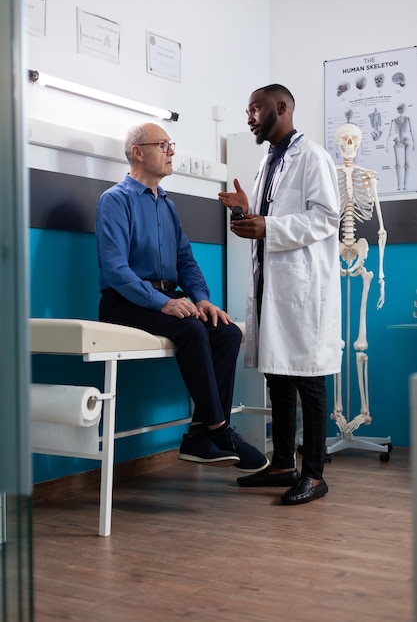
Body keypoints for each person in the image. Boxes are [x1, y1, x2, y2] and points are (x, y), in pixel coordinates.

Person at [95, 122, 269, 474]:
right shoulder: (114, 200)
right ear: (138, 152)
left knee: (227, 332)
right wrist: (163, 303)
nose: (171, 151)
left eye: (171, 144)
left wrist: (202, 298)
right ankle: (219, 430)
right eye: (163, 145)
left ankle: (198, 435)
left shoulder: (168, 207)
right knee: (191, 329)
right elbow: (116, 270)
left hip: (165, 298)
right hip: (123, 301)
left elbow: (186, 261)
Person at [218, 84, 342, 504]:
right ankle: (284, 464)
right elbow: (272, 217)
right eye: (247, 110)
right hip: (273, 284)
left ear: (282, 107)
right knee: (278, 373)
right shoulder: (268, 160)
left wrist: (267, 226)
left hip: (304, 288)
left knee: (308, 376)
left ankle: (314, 473)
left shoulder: (313, 157)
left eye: (255, 108)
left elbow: (326, 217)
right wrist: (244, 211)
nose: (249, 117)